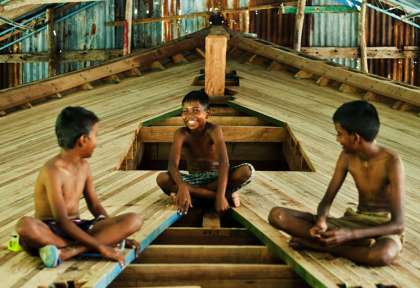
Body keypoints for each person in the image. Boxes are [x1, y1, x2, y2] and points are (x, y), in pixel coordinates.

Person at [268, 100, 404, 266]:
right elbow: (326, 201)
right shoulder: (347, 156)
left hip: (382, 227)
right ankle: (346, 244)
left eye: (340, 134)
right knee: (277, 215)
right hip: (354, 221)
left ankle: (324, 246)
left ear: (355, 138)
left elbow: (398, 225)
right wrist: (321, 221)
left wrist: (350, 235)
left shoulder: (391, 161)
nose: (337, 139)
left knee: (382, 255)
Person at [15, 106, 143, 268]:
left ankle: (70, 251)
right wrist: (102, 244)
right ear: (83, 140)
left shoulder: (84, 167)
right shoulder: (53, 170)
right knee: (25, 226)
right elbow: (61, 220)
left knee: (134, 220)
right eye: (96, 136)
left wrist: (118, 235)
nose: (97, 142)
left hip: (78, 226)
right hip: (52, 228)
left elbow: (95, 205)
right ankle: (87, 246)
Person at [156, 90, 254, 214]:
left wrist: (219, 195)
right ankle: (221, 196)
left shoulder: (213, 130)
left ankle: (196, 195)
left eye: (196, 111)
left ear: (207, 114)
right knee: (162, 178)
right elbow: (172, 165)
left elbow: (224, 163)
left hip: (214, 178)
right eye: (185, 111)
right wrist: (182, 185)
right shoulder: (181, 133)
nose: (190, 116)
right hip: (193, 179)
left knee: (246, 170)